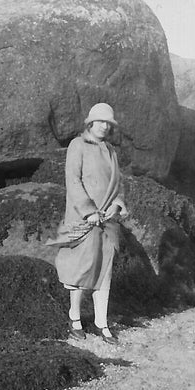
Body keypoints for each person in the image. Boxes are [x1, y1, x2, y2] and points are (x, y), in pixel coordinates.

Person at [48, 103, 128, 344]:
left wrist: (117, 204)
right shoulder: (77, 145)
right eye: (100, 121)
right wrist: (88, 211)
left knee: (105, 271)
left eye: (109, 123)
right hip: (85, 220)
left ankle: (102, 323)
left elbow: (118, 184)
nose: (104, 126)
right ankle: (75, 319)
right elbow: (73, 181)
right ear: (90, 123)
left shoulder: (111, 150)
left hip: (108, 221)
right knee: (82, 269)